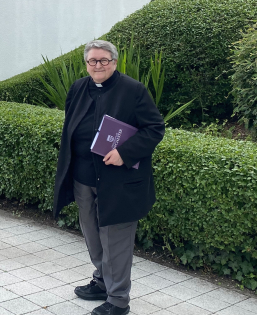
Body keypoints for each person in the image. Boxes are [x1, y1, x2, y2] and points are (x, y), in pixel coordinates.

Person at [53, 40, 165, 315]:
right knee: (92, 235)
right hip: (83, 178)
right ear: (86, 64)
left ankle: (118, 300)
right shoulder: (78, 88)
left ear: (114, 62)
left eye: (104, 60)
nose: (98, 65)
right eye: (93, 60)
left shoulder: (133, 90)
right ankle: (102, 281)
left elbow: (154, 128)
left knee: (115, 240)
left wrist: (124, 153)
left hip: (119, 182)